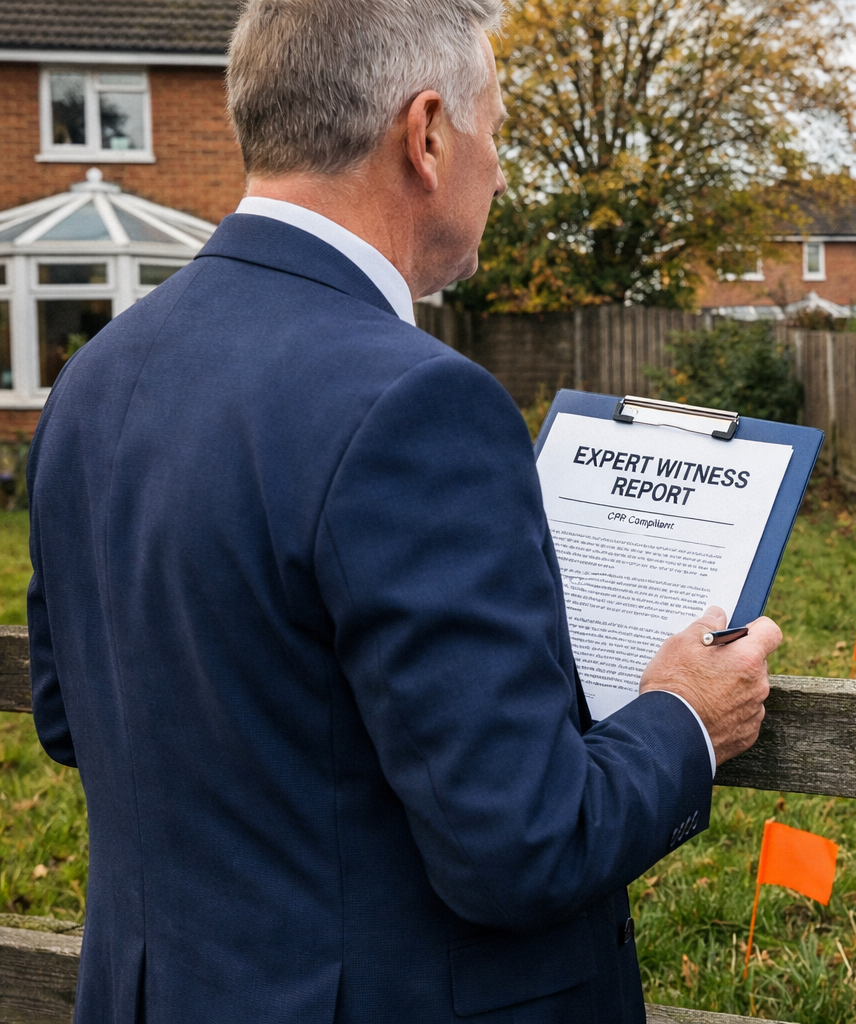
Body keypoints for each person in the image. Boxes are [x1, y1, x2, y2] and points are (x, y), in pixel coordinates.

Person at [25, 1, 779, 1020]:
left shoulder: (94, 376)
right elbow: (523, 845)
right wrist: (687, 717)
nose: (502, 171)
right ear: (425, 135)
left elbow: (71, 717)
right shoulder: (419, 402)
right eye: (497, 132)